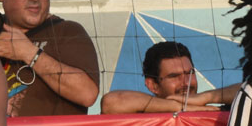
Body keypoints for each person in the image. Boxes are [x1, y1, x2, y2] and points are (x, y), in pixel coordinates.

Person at [100, 41, 240, 114]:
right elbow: (111, 102)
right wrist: (179, 107)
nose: (186, 82)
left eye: (189, 73)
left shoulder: (211, 112)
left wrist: (206, 97)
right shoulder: (141, 117)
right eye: (174, 76)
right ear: (152, 85)